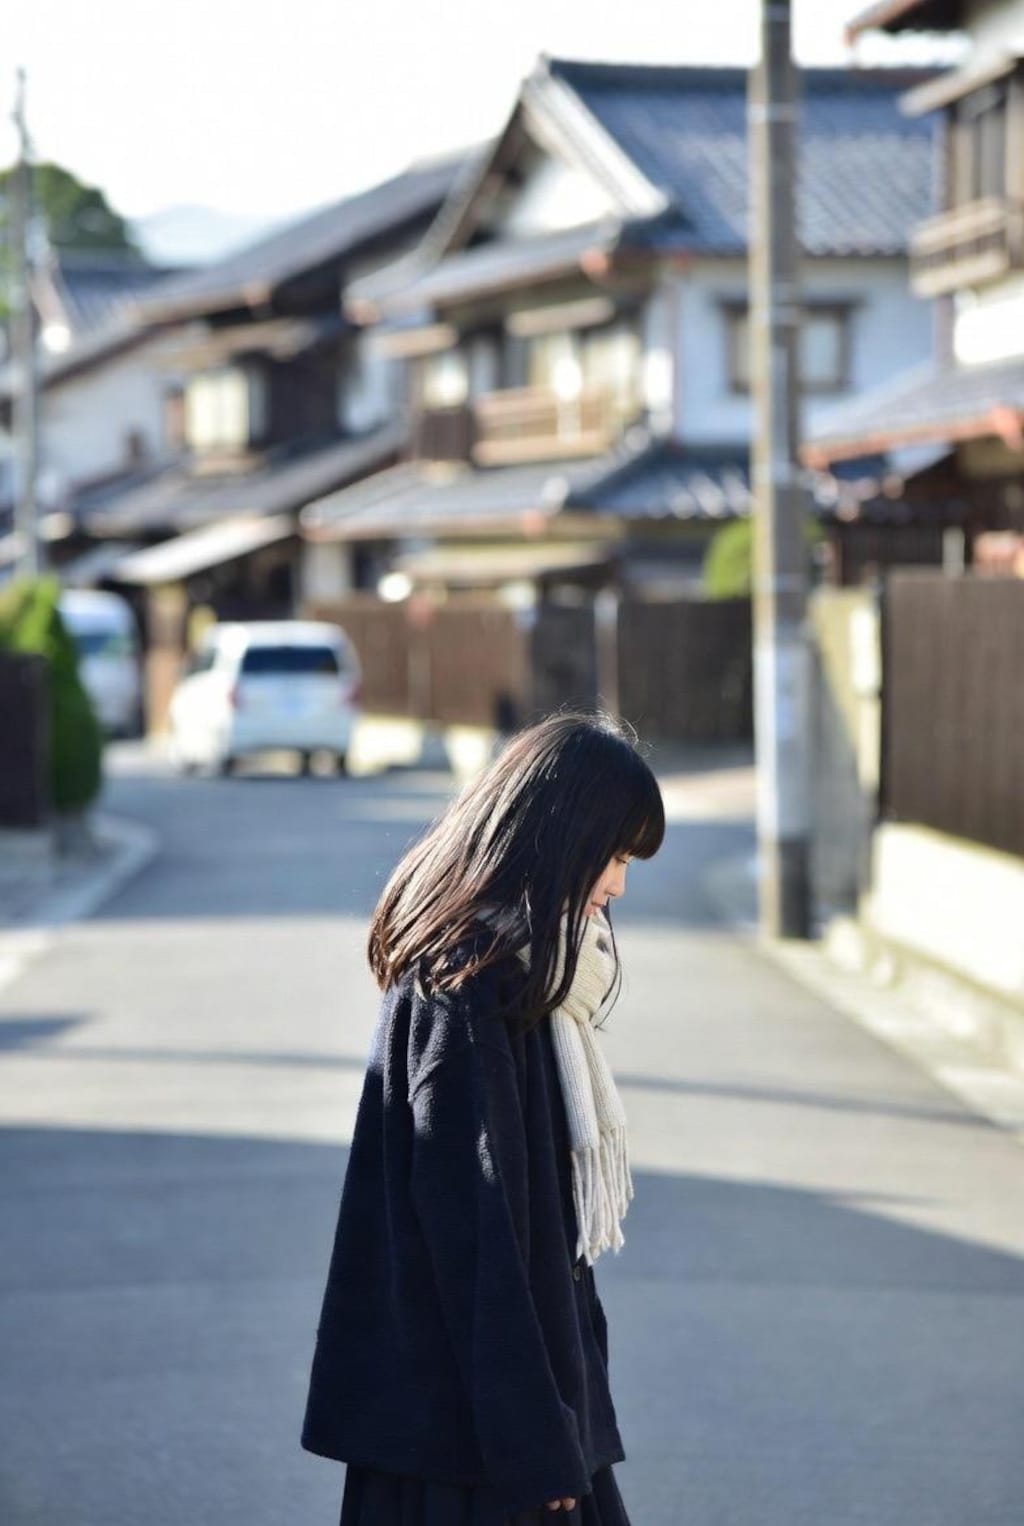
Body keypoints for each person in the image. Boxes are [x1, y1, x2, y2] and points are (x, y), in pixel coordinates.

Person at [301, 712, 665, 1524]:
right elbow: (475, 1242)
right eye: (612, 855)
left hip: (498, 1423)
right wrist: (537, 1446)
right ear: (559, 837)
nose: (618, 885)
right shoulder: (463, 991)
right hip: (467, 1445)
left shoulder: (517, 977)